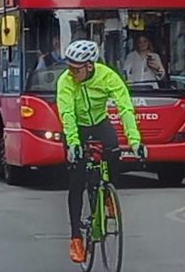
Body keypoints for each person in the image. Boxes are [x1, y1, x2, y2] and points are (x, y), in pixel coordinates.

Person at [56, 40, 146, 264]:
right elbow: (66, 113)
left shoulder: (108, 76)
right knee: (76, 181)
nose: (71, 72)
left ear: (89, 66)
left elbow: (125, 107)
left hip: (99, 122)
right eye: (69, 67)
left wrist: (135, 141)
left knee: (114, 152)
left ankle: (107, 195)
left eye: (76, 68)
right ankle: (76, 237)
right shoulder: (65, 81)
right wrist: (73, 143)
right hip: (77, 126)